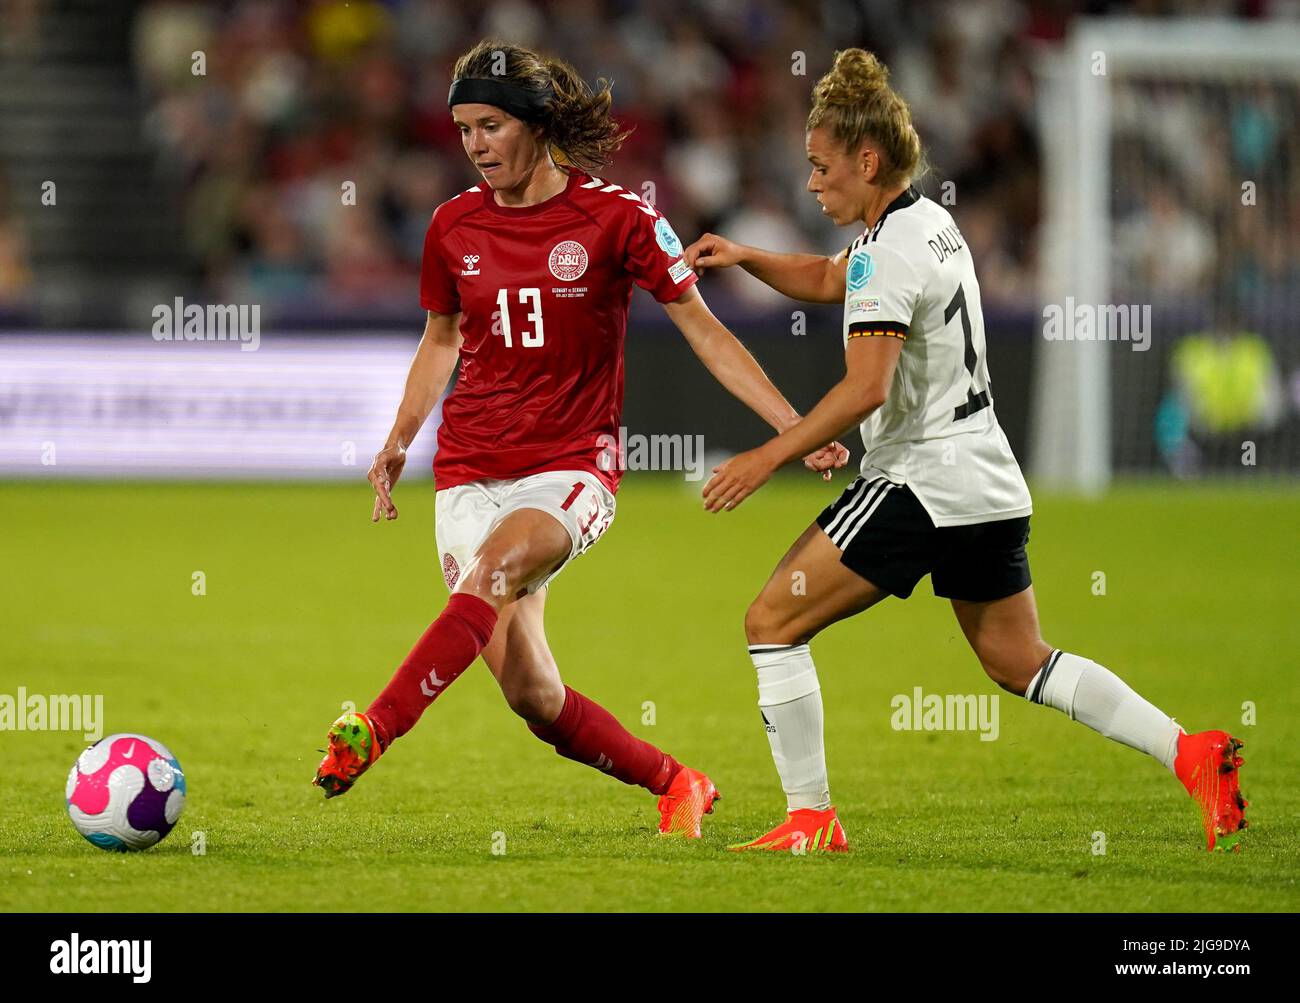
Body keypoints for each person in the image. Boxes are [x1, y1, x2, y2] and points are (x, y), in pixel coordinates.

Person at [684, 48, 1247, 853]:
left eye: (820, 167)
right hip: (988, 481)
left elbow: (866, 389)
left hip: (921, 479)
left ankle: (811, 816)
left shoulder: (885, 252)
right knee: (1020, 660)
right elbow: (825, 277)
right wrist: (747, 256)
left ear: (866, 159)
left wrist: (765, 455)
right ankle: (1189, 753)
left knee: (771, 620)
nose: (812, 183)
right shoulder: (928, 223)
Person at [312, 40, 847, 839]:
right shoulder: (452, 225)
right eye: (463, 130)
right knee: (532, 693)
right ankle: (679, 781)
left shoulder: (619, 219)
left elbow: (706, 333)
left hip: (570, 467)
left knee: (491, 573)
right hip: (467, 467)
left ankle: (373, 729)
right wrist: (399, 437)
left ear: (536, 122)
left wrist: (791, 426)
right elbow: (440, 338)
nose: (476, 146)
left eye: (490, 125)